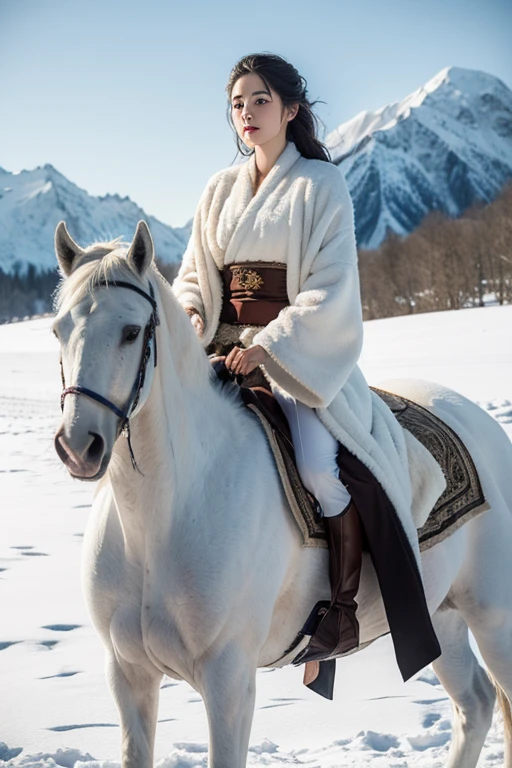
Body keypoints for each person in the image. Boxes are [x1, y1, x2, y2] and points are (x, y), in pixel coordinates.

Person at [171, 52, 442, 677]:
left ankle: (339, 614)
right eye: (238, 103)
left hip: (297, 360)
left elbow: (329, 288)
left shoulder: (322, 187)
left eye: (260, 100)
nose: (246, 113)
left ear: (291, 110)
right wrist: (191, 314)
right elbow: (193, 276)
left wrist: (271, 345)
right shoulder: (218, 191)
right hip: (222, 355)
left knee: (321, 470)